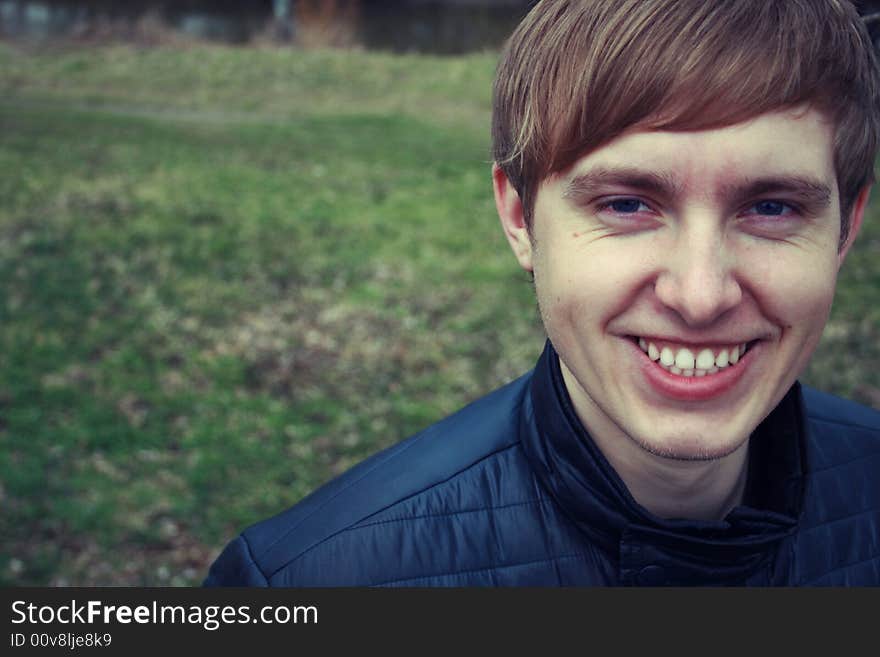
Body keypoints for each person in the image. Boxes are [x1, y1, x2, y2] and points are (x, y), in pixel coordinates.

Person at [205, 0, 880, 586]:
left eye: (771, 208)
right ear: (521, 219)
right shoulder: (307, 584)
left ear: (846, 227)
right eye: (625, 203)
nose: (700, 295)